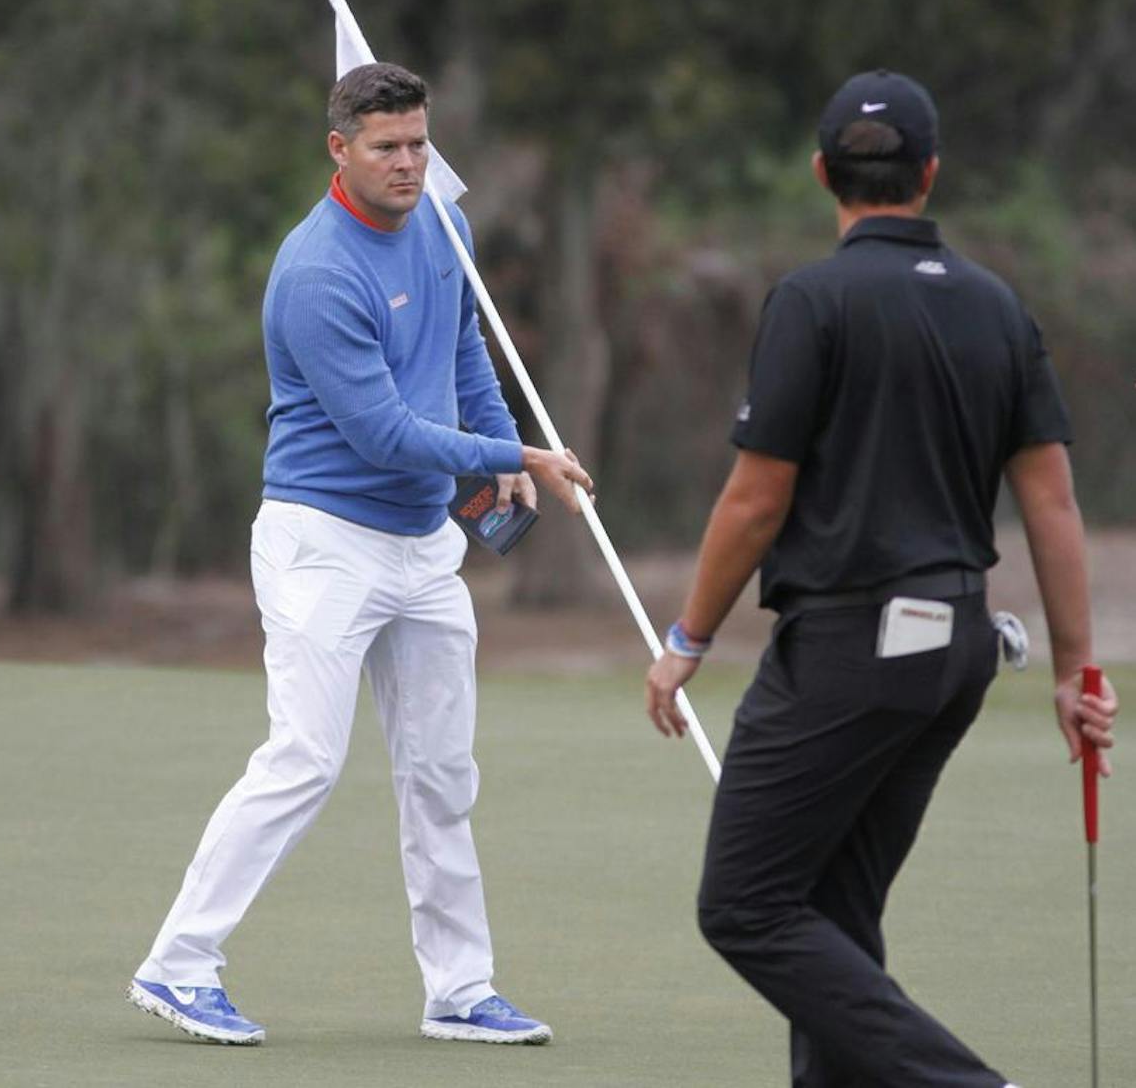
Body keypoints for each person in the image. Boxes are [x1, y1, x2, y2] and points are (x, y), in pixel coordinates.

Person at [645, 69, 1119, 1088]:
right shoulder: (998, 307)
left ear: (824, 174)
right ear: (931, 173)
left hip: (855, 648)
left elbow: (755, 499)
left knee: (747, 907)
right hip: (956, 649)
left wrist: (685, 640)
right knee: (832, 911)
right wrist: (1079, 675)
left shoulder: (810, 300)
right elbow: (1051, 507)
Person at [127, 62, 592, 1047]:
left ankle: (460, 989)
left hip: (423, 547)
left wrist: (496, 426)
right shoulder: (315, 271)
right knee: (304, 757)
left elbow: (464, 341)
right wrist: (515, 455)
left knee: (441, 770)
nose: (408, 164)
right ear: (340, 150)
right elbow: (381, 432)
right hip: (322, 544)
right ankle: (177, 966)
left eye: (419, 143)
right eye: (386, 147)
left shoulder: (443, 226)